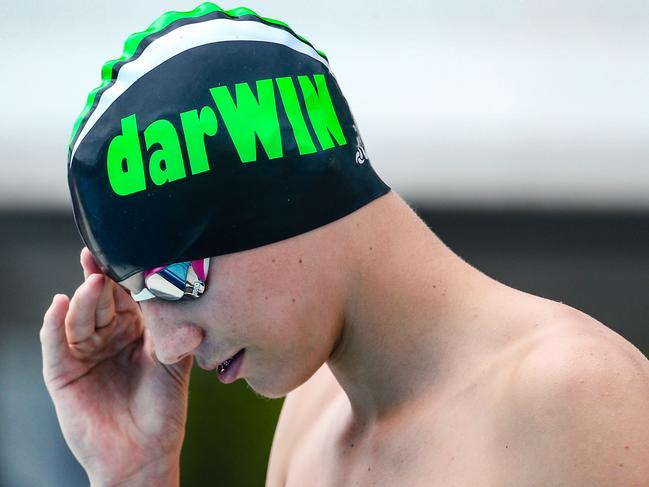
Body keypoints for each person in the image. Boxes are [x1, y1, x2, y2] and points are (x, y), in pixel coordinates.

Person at [42, 4, 649, 486]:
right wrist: (136, 478)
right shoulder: (312, 415)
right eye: (140, 295)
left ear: (284, 193)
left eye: (177, 279)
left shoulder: (574, 397)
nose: (170, 346)